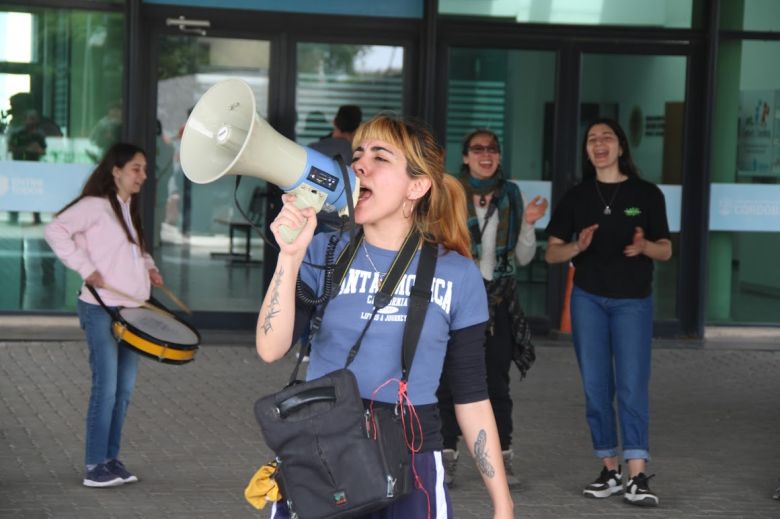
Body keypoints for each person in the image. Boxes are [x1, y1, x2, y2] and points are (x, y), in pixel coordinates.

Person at [255, 114, 514, 518]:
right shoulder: (323, 251)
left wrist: (502, 503)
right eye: (357, 154)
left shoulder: (458, 274)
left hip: (413, 453)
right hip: (323, 448)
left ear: (417, 186)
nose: (359, 165)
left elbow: (472, 396)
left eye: (380, 156)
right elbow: (271, 350)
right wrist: (289, 256)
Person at [544, 118, 672, 507]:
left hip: (632, 302)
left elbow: (666, 249)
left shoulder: (647, 194)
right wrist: (577, 247)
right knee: (596, 388)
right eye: (592, 139)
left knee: (632, 386)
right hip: (589, 300)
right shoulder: (577, 197)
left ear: (620, 147)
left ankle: (637, 475)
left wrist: (645, 246)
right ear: (587, 151)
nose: (599, 144)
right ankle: (610, 469)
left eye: (607, 138)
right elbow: (552, 253)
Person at [44, 143, 163, 488]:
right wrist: (85, 267)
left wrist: (150, 268)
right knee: (106, 389)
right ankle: (95, 465)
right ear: (116, 170)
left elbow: (133, 251)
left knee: (123, 390)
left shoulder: (126, 207)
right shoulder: (94, 206)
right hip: (99, 308)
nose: (143, 175)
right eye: (136, 168)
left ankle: (110, 460)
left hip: (131, 312)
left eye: (144, 168)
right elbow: (55, 230)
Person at [436, 128, 548, 488]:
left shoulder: (512, 195)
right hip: (456, 298)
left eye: (493, 149)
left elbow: (525, 257)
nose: (486, 154)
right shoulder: (449, 192)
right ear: (466, 156)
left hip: (499, 301)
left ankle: (502, 459)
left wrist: (528, 224)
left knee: (496, 383)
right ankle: (446, 456)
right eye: (478, 149)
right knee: (446, 382)